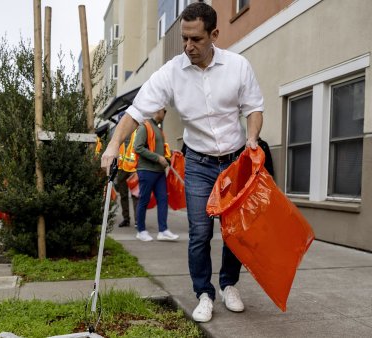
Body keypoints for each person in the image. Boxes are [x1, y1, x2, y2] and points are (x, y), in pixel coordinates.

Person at [101, 2, 264, 323]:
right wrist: (113, 145)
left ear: (214, 34)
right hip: (200, 164)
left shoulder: (238, 66)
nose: (188, 46)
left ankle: (229, 283)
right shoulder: (171, 73)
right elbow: (135, 113)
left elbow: (254, 107)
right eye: (184, 39)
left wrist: (253, 138)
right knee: (200, 233)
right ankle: (204, 292)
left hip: (235, 162)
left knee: (234, 233)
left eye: (196, 39)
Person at [133, 108, 179, 242]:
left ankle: (163, 230)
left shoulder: (158, 129)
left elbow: (159, 149)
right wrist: (158, 158)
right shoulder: (145, 127)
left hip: (159, 172)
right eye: (165, 111)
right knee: (144, 200)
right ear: (158, 111)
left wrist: (171, 152)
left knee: (163, 200)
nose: (165, 114)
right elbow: (138, 147)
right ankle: (141, 231)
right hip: (146, 170)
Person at [115, 113, 139, 228]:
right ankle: (126, 219)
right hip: (121, 169)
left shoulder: (137, 133)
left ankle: (138, 221)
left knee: (135, 195)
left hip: (133, 169)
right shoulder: (118, 134)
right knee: (123, 196)